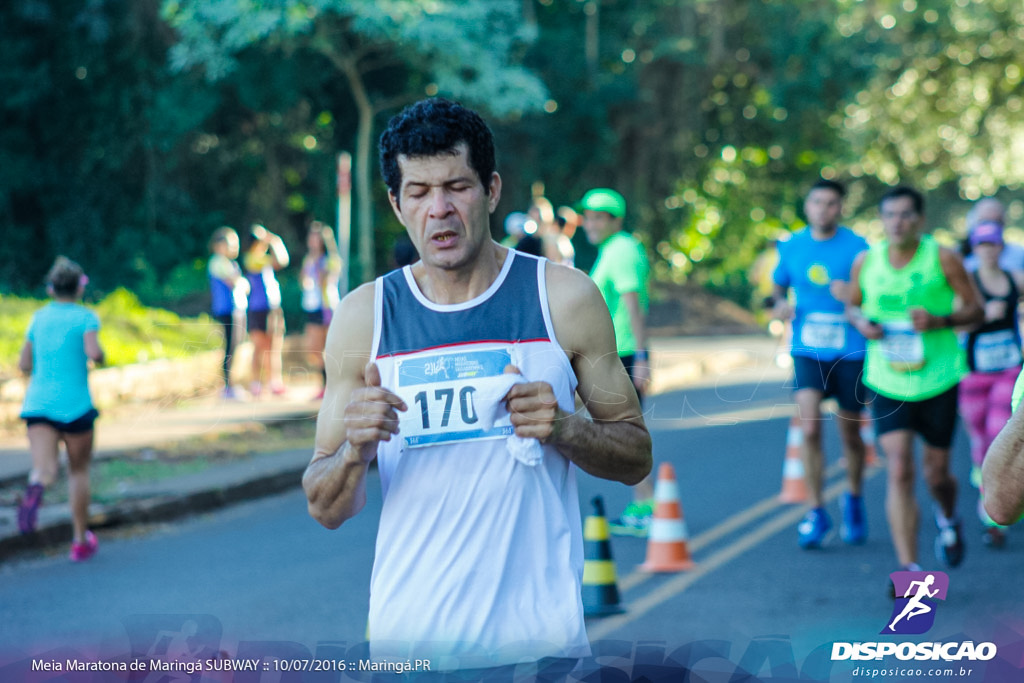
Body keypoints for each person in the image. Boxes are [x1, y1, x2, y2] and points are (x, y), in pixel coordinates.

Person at [302, 98, 652, 671]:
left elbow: (636, 455)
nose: (439, 209)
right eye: (417, 192)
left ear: (491, 190)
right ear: (396, 203)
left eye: (456, 186)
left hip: (540, 644)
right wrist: (354, 451)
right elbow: (324, 504)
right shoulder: (365, 317)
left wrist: (565, 428)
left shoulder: (563, 299)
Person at [848, 186, 984, 575]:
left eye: (906, 215)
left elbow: (975, 309)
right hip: (887, 381)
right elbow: (853, 307)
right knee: (899, 468)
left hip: (938, 379)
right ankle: (909, 569)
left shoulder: (942, 257)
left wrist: (940, 320)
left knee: (936, 475)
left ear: (921, 220)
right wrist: (864, 326)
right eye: (890, 214)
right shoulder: (867, 261)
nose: (897, 222)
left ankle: (948, 515)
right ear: (881, 219)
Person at [771, 179, 871, 549]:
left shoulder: (859, 249)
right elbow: (777, 288)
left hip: (851, 352)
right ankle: (816, 509)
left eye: (831, 203)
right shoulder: (792, 245)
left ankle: (855, 499)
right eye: (817, 202)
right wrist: (779, 305)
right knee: (810, 429)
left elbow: (874, 295)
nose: (823, 209)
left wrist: (855, 296)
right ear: (807, 205)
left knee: (850, 434)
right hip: (807, 350)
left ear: (840, 208)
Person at [16, 256, 105, 561]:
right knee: (78, 471)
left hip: (38, 404)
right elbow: (94, 352)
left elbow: (24, 363)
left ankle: (34, 490)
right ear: (79, 288)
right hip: (76, 406)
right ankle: (80, 541)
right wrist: (100, 356)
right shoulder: (86, 317)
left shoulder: (38, 318)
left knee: (44, 469)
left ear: (51, 288)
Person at [580, 187, 654, 536]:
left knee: (626, 430)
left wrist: (642, 357)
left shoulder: (622, 249)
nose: (590, 223)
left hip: (623, 352)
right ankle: (644, 504)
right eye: (588, 216)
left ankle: (647, 505)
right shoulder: (612, 249)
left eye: (599, 217)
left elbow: (632, 304)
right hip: (612, 351)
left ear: (616, 220)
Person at [959, 221, 1024, 546]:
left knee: (1001, 429)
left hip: (1009, 370)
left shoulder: (1014, 279)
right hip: (974, 372)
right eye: (981, 244)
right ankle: (986, 479)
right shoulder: (968, 282)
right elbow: (954, 317)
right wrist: (982, 315)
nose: (987, 249)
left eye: (993, 244)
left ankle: (993, 518)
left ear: (1001, 247)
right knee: (979, 438)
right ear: (974, 248)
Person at [242, 223, 289, 397]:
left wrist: (274, 242)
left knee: (274, 346)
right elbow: (281, 261)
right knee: (259, 347)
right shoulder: (252, 259)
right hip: (258, 308)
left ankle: (273, 381)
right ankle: (256, 382)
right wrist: (275, 242)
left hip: (271, 307)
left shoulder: (260, 259)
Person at [301, 221, 343, 400]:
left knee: (328, 347)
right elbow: (304, 280)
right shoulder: (308, 259)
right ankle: (325, 383)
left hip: (326, 307)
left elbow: (324, 281)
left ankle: (329, 385)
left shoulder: (331, 260)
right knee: (314, 349)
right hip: (311, 306)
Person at [208, 227, 248, 399]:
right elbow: (237, 283)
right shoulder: (218, 262)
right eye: (230, 243)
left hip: (236, 309)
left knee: (235, 346)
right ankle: (227, 385)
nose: (234, 247)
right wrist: (240, 282)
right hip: (227, 309)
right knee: (230, 347)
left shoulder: (230, 264)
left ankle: (230, 384)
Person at [962, 197, 1024, 273]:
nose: (990, 228)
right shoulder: (962, 257)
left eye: (996, 222)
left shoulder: (1019, 255)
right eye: (985, 222)